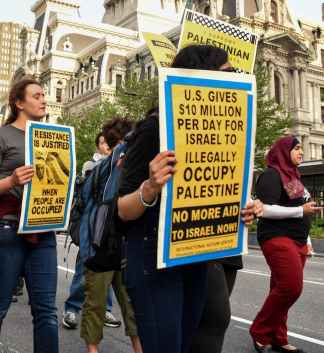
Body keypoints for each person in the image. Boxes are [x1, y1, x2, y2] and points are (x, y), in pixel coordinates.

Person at [117, 44, 259, 353]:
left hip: (197, 258)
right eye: (229, 72)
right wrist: (150, 187)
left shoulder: (224, 130)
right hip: (154, 260)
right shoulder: (155, 128)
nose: (237, 77)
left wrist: (243, 209)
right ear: (203, 76)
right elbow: (122, 210)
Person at [0, 78, 58, 353]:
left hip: (43, 230)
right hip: (8, 229)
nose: (43, 99)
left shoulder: (52, 136)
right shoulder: (0, 138)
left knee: (46, 309)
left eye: (44, 95)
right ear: (19, 103)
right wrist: (11, 181)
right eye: (36, 95)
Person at [250, 136, 320, 353]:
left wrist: (307, 241)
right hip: (277, 237)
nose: (301, 152)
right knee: (291, 287)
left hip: (298, 240)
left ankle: (279, 337)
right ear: (283, 151)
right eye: (297, 148)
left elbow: (302, 209)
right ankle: (260, 331)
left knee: (279, 288)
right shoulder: (271, 175)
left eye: (301, 148)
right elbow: (263, 209)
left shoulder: (294, 176)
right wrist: (302, 211)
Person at [79, 117, 142, 353]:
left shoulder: (108, 167)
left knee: (120, 304)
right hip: (106, 245)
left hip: (108, 245)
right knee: (109, 304)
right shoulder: (110, 164)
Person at [63, 131, 120, 330]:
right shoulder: (92, 166)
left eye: (110, 143)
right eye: (104, 143)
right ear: (98, 146)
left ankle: (105, 308)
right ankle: (72, 309)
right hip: (91, 227)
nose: (107, 146)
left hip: (111, 230)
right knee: (83, 270)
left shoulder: (119, 164)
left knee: (109, 270)